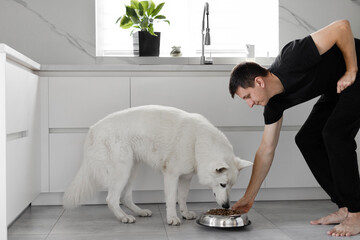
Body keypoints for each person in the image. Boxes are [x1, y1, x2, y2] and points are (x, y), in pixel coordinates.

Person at [229, 19, 360, 237]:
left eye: (248, 96)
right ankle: (345, 206)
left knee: (335, 135)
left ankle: (356, 213)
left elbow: (342, 27)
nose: (250, 104)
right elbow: (266, 150)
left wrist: (351, 70)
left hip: (357, 70)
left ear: (259, 82)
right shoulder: (274, 104)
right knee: (307, 139)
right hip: (338, 84)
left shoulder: (292, 57)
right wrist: (249, 196)